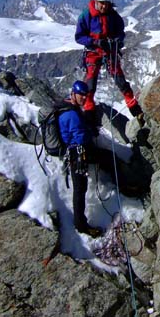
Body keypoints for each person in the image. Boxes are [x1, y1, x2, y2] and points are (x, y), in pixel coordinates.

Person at [75, 0, 145, 127]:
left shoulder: (113, 16)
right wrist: (94, 41)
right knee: (90, 83)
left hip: (109, 51)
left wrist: (116, 41)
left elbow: (121, 33)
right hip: (93, 52)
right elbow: (79, 37)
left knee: (120, 80)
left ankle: (135, 109)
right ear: (96, 2)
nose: (104, 6)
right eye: (102, 3)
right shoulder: (86, 15)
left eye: (106, 3)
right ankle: (89, 112)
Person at [58, 80, 101, 237]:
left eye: (85, 95)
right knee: (80, 189)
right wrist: (91, 132)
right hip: (77, 154)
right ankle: (81, 225)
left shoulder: (70, 109)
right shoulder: (71, 114)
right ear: (73, 94)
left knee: (80, 189)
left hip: (77, 152)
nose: (83, 98)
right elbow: (80, 136)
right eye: (81, 95)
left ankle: (80, 223)